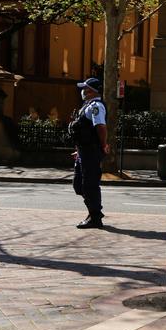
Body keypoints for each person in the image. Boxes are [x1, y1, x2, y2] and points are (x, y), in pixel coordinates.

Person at [68, 77, 110, 229]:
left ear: (94, 92)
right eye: (83, 89)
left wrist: (103, 144)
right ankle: (94, 212)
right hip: (84, 151)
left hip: (91, 151)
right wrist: (78, 150)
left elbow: (100, 127)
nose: (83, 91)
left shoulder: (96, 106)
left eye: (87, 89)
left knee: (89, 184)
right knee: (79, 185)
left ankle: (95, 217)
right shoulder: (87, 106)